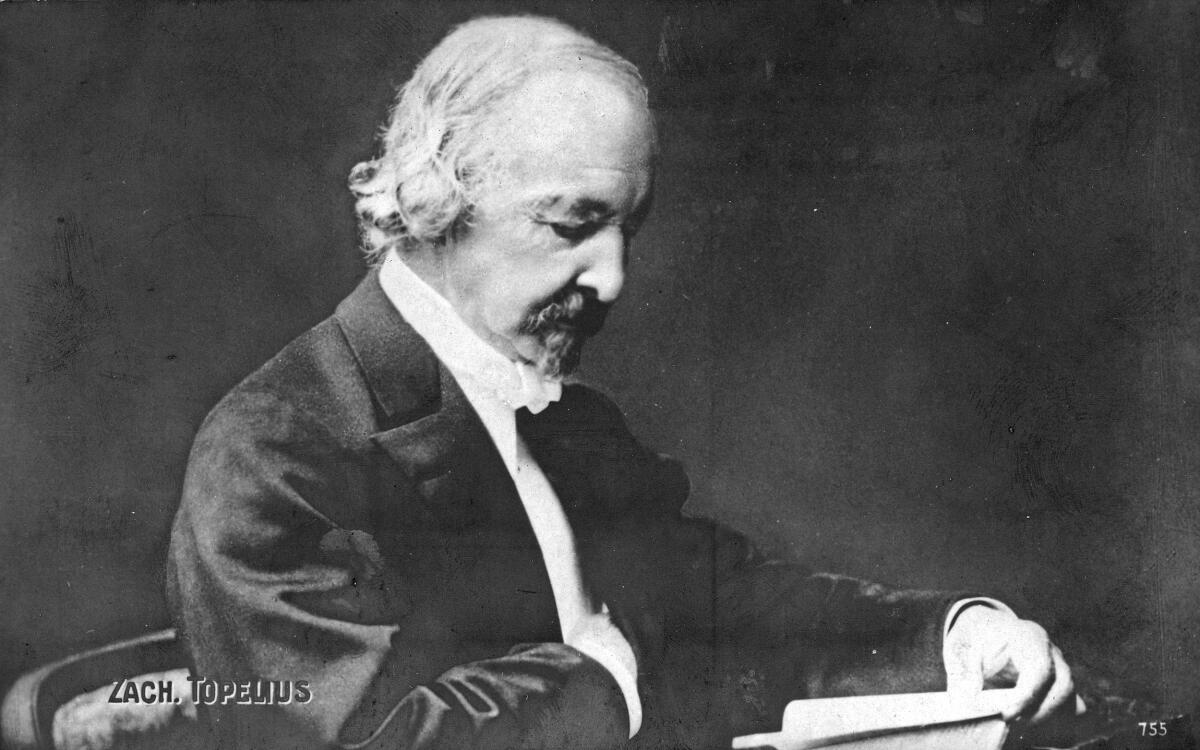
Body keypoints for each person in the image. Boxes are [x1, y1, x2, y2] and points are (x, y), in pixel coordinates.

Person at [166, 15, 1077, 750]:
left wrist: (957, 635)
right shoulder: (272, 450)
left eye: (626, 231)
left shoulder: (572, 424)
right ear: (438, 200)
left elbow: (727, 608)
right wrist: (605, 675)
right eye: (572, 225)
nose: (612, 279)